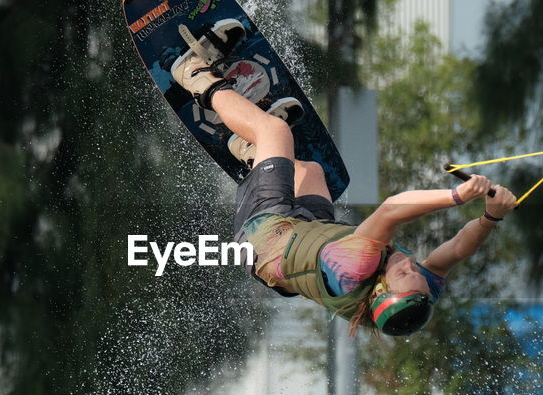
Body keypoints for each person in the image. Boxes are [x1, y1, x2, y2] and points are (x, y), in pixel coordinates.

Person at [172, 24, 516, 336]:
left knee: (273, 129)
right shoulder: (414, 291)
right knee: (311, 171)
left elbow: (392, 209)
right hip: (307, 237)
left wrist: (458, 195)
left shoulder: (353, 269)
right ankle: (249, 151)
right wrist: (491, 218)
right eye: (416, 274)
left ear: (381, 290)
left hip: (265, 239)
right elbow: (455, 251)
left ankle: (195, 74)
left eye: (404, 274)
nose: (411, 266)